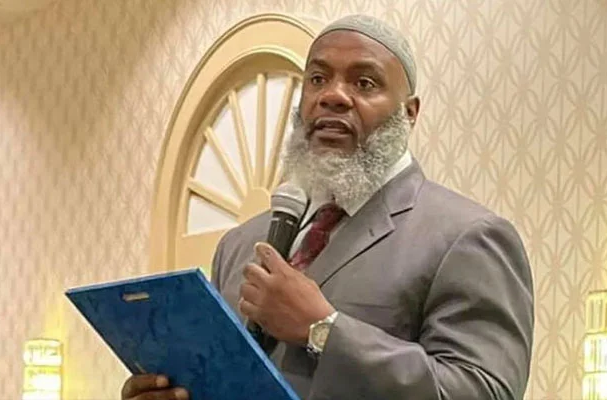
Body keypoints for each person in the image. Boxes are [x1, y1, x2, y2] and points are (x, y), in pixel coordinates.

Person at [121, 14, 534, 400]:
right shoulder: (241, 243)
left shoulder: (468, 237)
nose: (332, 96)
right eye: (317, 79)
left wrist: (323, 331)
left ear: (409, 113)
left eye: (364, 83)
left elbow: (484, 391)